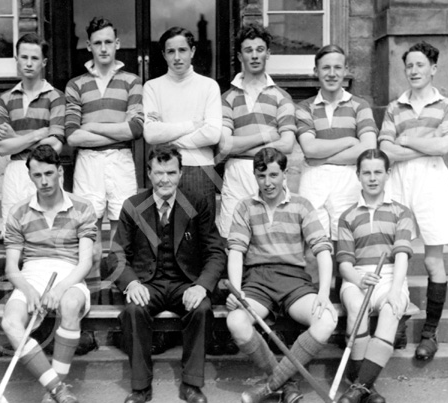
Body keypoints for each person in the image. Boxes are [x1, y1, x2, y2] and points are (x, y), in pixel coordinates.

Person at [107, 144, 226, 403]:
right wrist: (131, 283)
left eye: (171, 173)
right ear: (148, 174)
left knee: (202, 308)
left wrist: (202, 286)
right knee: (134, 309)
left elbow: (216, 252)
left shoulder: (197, 203)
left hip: (185, 283)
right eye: (158, 173)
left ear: (181, 173)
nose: (165, 179)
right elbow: (115, 255)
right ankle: (140, 386)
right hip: (147, 284)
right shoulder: (133, 206)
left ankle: (192, 383)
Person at [226, 148, 337, 403]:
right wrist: (238, 290)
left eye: (274, 175)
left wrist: (323, 293)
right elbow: (236, 252)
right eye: (262, 175)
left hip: (294, 281)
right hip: (258, 281)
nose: (268, 182)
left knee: (326, 320)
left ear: (285, 174)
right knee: (236, 321)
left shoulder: (301, 205)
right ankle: (287, 383)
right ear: (254, 175)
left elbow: (322, 249)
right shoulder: (245, 206)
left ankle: (270, 386)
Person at [1, 145, 97, 403]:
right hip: (30, 274)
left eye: (48, 174)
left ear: (60, 173)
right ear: (30, 177)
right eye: (37, 175)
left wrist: (60, 288)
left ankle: (51, 393)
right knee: (10, 322)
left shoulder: (82, 207)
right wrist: (29, 290)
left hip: (69, 274)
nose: (43, 181)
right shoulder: (19, 212)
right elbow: (11, 266)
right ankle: (57, 389)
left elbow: (85, 263)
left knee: (69, 305)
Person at [378, 41, 448, 360]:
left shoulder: (447, 104)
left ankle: (429, 333)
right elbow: (386, 150)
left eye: (420, 65)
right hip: (398, 180)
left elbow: (443, 148)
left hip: (433, 180)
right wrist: (427, 143)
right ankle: (394, 323)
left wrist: (409, 140)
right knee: (395, 254)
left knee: (431, 260)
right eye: (409, 66)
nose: (414, 71)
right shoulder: (395, 107)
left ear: (433, 69)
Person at [65, 16, 143, 287]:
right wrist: (114, 128)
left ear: (118, 44)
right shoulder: (76, 85)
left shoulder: (132, 82)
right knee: (89, 235)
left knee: (123, 234)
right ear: (89, 46)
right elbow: (73, 136)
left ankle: (122, 299)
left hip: (121, 160)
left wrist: (94, 125)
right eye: (98, 43)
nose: (104, 48)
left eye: (109, 42)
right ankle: (94, 304)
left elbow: (134, 129)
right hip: (88, 163)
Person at [336, 149, 415, 403]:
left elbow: (402, 256)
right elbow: (345, 264)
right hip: (357, 277)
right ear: (358, 175)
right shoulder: (347, 216)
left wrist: (394, 291)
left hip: (390, 275)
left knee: (392, 309)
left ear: (387, 174)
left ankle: (357, 387)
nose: (372, 178)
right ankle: (365, 387)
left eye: (378, 172)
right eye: (366, 172)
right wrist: (358, 279)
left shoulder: (401, 212)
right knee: (357, 307)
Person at [217, 23, 295, 237]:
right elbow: (224, 145)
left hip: (269, 173)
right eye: (248, 50)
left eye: (260, 50)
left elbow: (287, 144)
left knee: (270, 237)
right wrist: (267, 135)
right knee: (233, 239)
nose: (254, 55)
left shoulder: (281, 97)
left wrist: (239, 146)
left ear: (268, 53)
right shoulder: (227, 98)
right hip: (236, 175)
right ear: (240, 55)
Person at [296, 44, 377, 241]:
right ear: (316, 71)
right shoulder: (304, 107)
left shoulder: (360, 106)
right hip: (314, 181)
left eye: (337, 68)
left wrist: (322, 159)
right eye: (326, 68)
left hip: (348, 180)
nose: (332, 74)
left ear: (346, 70)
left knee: (346, 245)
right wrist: (349, 140)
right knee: (315, 245)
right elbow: (309, 147)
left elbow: (368, 147)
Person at [143, 27, 222, 214]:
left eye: (182, 50)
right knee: (165, 232)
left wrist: (167, 138)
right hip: (164, 168)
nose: (177, 57)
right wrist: (192, 125)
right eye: (171, 51)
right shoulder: (153, 87)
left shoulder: (208, 86)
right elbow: (151, 134)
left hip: (199, 169)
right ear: (163, 54)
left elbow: (212, 134)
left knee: (201, 235)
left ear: (192, 52)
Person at [0, 33, 65, 225]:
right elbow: (2, 148)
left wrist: (15, 138)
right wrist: (37, 134)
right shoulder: (5, 98)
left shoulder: (56, 97)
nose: (28, 63)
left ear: (44, 62)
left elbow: (55, 147)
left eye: (34, 58)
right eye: (24, 57)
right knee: (14, 226)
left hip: (45, 169)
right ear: (16, 59)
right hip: (16, 170)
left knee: (48, 226)